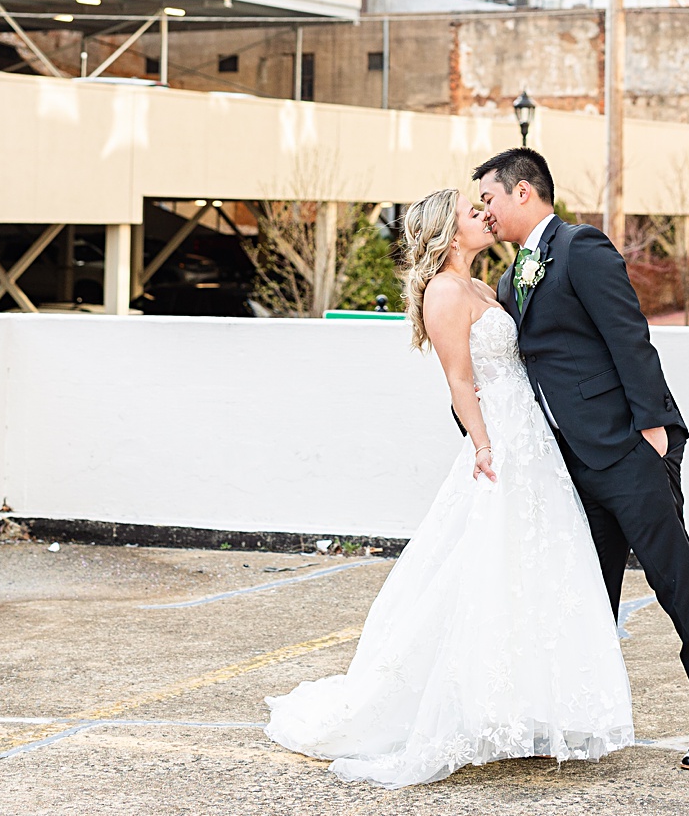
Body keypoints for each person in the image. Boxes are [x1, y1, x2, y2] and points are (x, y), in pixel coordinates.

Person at [264, 187, 633, 787]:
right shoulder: (442, 291)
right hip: (501, 441)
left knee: (534, 566)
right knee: (484, 568)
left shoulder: (486, 285)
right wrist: (484, 446)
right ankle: (469, 709)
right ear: (448, 231)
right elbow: (460, 379)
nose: (485, 216)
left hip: (531, 436)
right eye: (472, 211)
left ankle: (530, 707)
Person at [475, 147, 689, 773]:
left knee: (674, 582)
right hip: (567, 466)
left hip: (626, 449)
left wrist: (653, 433)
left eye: (489, 198)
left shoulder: (581, 248)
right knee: (587, 596)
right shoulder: (511, 279)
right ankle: (580, 716)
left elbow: (630, 338)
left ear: (523, 192)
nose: (485, 212)